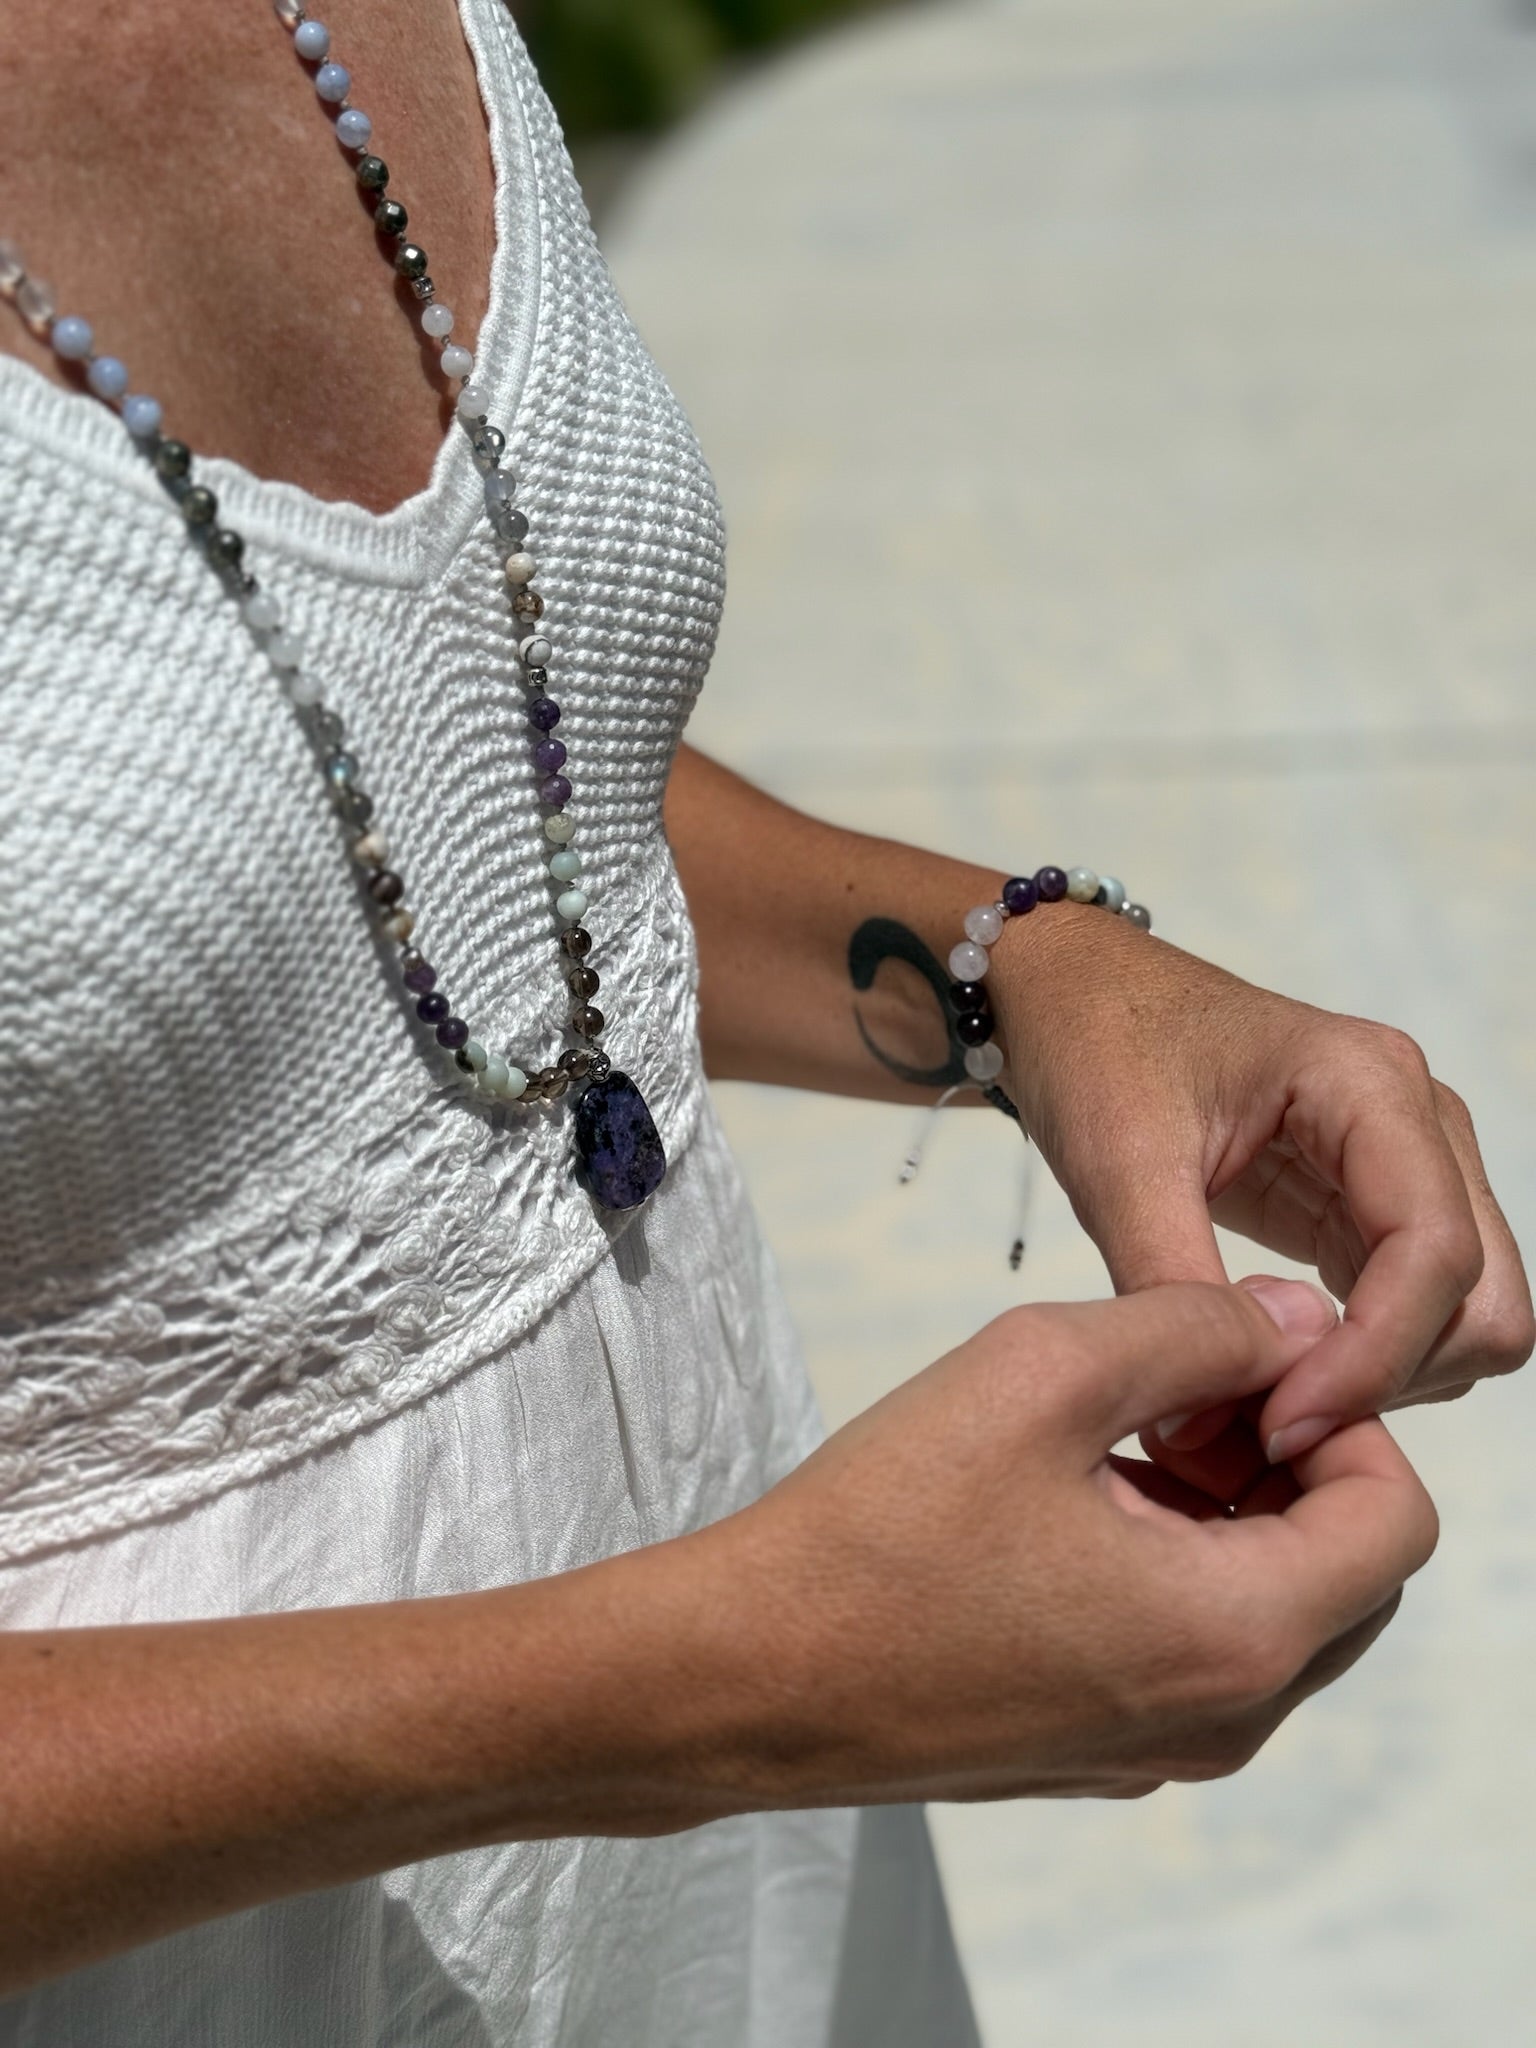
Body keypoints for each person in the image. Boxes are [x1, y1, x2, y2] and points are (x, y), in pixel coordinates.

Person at [0, 1, 1528, 2041]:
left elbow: (410, 808)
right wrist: (730, 1684)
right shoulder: (738, 1693)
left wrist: (1024, 970)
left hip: (728, 1896)